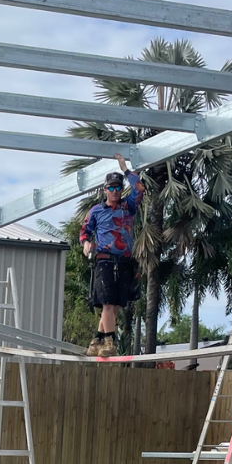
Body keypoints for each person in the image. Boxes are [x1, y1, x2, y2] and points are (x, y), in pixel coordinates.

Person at [79, 153, 144, 357]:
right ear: (105, 190)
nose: (115, 191)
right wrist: (86, 243)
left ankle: (96, 340)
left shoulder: (128, 207)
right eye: (111, 187)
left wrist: (126, 169)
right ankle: (110, 342)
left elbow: (140, 188)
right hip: (105, 259)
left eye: (118, 187)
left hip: (124, 260)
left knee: (114, 307)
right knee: (107, 303)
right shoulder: (97, 210)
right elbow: (84, 231)